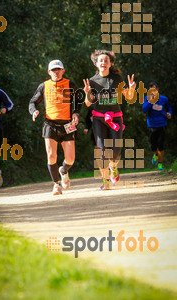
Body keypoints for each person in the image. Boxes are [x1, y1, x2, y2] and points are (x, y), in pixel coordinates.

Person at [83, 50, 136, 190]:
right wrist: (87, 92)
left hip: (115, 118)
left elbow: (129, 98)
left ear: (110, 63)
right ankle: (105, 181)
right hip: (99, 119)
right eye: (101, 60)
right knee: (101, 150)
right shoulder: (92, 81)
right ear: (96, 63)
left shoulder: (117, 78)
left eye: (106, 60)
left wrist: (131, 90)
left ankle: (114, 167)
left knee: (115, 152)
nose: (103, 63)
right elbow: (88, 104)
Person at [29, 60, 79, 195]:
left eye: (58, 69)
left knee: (70, 159)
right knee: (51, 156)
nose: (56, 72)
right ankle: (56, 184)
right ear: (49, 72)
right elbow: (33, 101)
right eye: (53, 70)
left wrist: (76, 112)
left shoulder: (70, 84)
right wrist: (33, 111)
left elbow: (79, 99)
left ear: (63, 71)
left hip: (67, 125)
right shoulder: (44, 86)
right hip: (50, 124)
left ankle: (64, 170)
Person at [142, 81, 172, 170]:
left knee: (161, 144)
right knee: (153, 146)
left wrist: (169, 113)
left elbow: (169, 108)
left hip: (162, 124)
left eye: (154, 90)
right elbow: (144, 110)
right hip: (152, 125)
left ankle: (160, 164)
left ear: (157, 90)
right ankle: (155, 154)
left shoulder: (164, 99)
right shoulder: (147, 99)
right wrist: (151, 101)